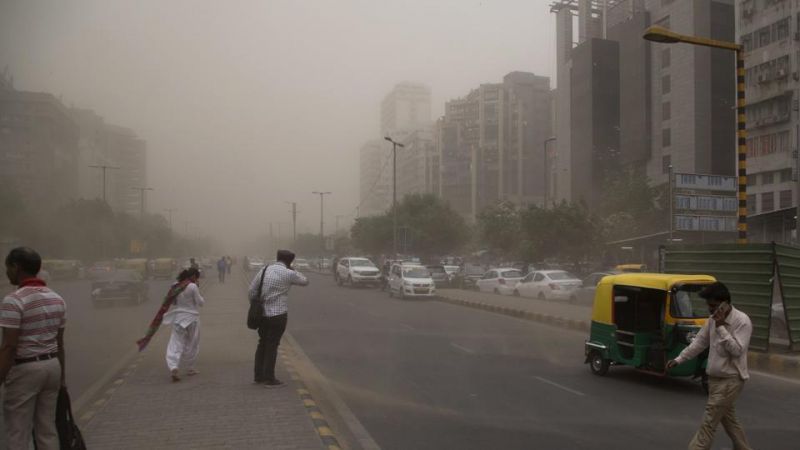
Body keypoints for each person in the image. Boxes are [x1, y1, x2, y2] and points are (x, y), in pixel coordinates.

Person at [666, 282, 753, 450]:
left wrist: (721, 328)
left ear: (725, 304)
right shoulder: (712, 321)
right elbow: (699, 343)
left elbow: (737, 351)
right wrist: (679, 359)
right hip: (714, 380)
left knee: (709, 422)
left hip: (730, 380)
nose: (710, 310)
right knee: (730, 421)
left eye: (713, 306)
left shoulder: (742, 322)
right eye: (709, 306)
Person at [0, 247, 66, 450]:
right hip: (52, 367)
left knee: (18, 431)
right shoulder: (57, 298)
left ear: (16, 267)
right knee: (46, 429)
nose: (6, 272)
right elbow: (60, 344)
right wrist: (61, 378)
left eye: (7, 267)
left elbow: (9, 346)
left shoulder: (14, 300)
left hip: (26, 369)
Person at [248, 250, 308, 388]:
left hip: (262, 314)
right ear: (289, 262)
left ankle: (258, 376)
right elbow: (305, 281)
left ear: (278, 258)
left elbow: (251, 290)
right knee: (272, 345)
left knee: (262, 343)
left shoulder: (264, 270)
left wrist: (256, 305)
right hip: (278, 315)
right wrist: (292, 269)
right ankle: (269, 378)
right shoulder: (289, 273)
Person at [162, 268, 204, 382]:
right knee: (192, 343)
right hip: (192, 318)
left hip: (178, 318)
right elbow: (200, 302)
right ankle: (190, 368)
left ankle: (174, 366)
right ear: (194, 276)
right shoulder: (193, 286)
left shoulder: (176, 285)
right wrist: (198, 289)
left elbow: (173, 302)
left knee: (175, 343)